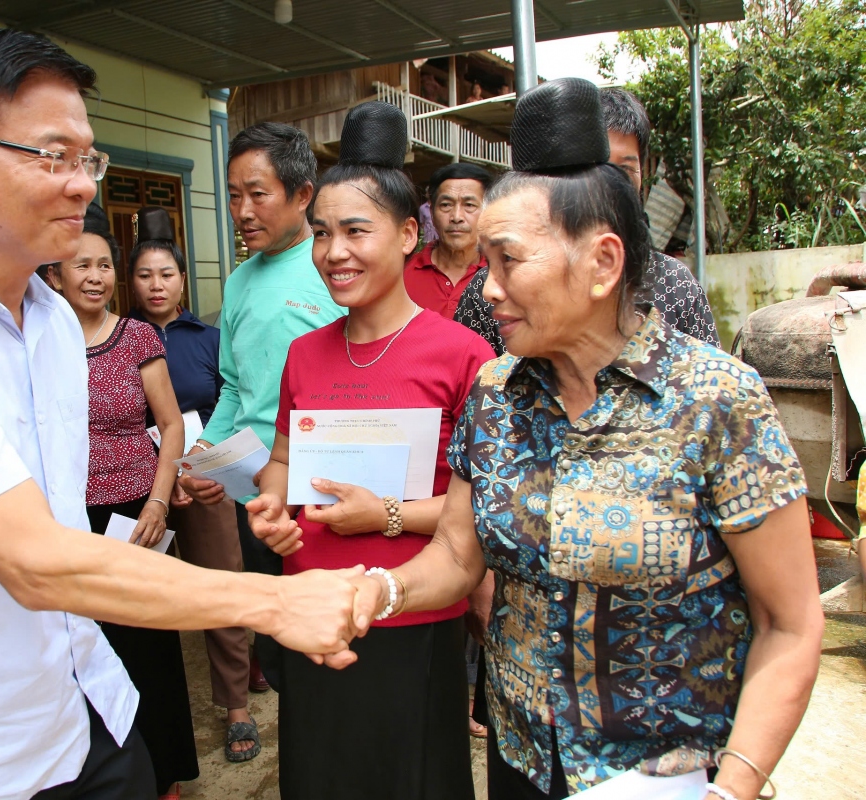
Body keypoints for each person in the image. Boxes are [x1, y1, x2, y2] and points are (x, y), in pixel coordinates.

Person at [0, 29, 367, 800]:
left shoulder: (47, 317)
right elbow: (35, 560)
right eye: (53, 156)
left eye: (88, 159)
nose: (83, 186)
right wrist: (273, 601)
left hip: (82, 709)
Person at [339, 78, 823, 800]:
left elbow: (790, 623)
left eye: (509, 262)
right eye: (485, 265)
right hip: (524, 759)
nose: (488, 288)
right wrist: (379, 589)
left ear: (602, 262)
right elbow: (455, 553)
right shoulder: (495, 393)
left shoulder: (717, 402)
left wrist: (736, 785)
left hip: (670, 777)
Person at [246, 102, 495, 800]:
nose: (334, 252)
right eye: (322, 233)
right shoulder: (305, 353)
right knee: (321, 774)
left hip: (415, 611)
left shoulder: (464, 356)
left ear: (409, 234)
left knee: (411, 777)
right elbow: (285, 464)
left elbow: (479, 512)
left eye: (356, 230)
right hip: (313, 609)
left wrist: (384, 515)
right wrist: (271, 505)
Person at [178, 122, 346, 691]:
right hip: (256, 497)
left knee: (333, 634)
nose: (242, 210)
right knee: (279, 646)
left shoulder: (335, 271)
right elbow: (233, 387)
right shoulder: (240, 281)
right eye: (232, 195)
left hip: (328, 494)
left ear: (302, 195)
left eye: (257, 193)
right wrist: (202, 454)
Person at [56, 204, 199, 800]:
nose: (94, 276)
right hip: (66, 516)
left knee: (148, 640)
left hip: (137, 509)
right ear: (54, 275)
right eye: (79, 265)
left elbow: (169, 426)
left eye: (103, 265)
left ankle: (163, 771)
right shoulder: (40, 337)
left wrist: (159, 504)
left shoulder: (137, 336)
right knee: (85, 647)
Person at [125, 206, 259, 763]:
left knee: (221, 586)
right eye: (144, 275)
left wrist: (194, 468)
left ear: (183, 280)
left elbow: (230, 399)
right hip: (142, 485)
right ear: (128, 282)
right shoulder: (117, 340)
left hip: (200, 478)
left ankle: (236, 708)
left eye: (167, 274)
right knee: (138, 603)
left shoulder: (206, 337)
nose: (156, 285)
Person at [454, 89, 724, 355]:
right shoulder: (486, 297)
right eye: (593, 170)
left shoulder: (675, 284)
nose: (606, 188)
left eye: (623, 171)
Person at [600, 87, 720, 345]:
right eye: (601, 167)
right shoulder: (515, 291)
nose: (612, 183)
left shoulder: (676, 283)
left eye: (625, 169)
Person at [404, 162, 493, 318]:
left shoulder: (500, 277)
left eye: (469, 205)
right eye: (446, 205)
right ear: (431, 212)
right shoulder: (403, 274)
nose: (457, 217)